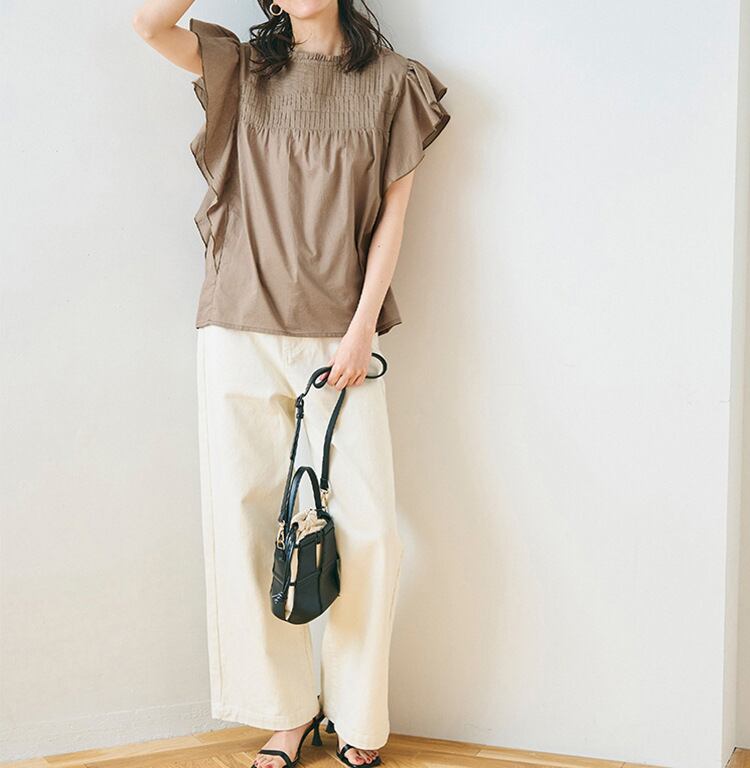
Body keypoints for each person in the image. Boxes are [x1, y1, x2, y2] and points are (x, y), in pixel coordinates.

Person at [132, 1, 450, 765]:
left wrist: (361, 328)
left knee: (370, 532)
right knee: (244, 527)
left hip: (339, 334)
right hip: (237, 323)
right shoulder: (241, 70)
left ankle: (358, 716)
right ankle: (284, 714)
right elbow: (149, 26)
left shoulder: (394, 82)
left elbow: (393, 218)